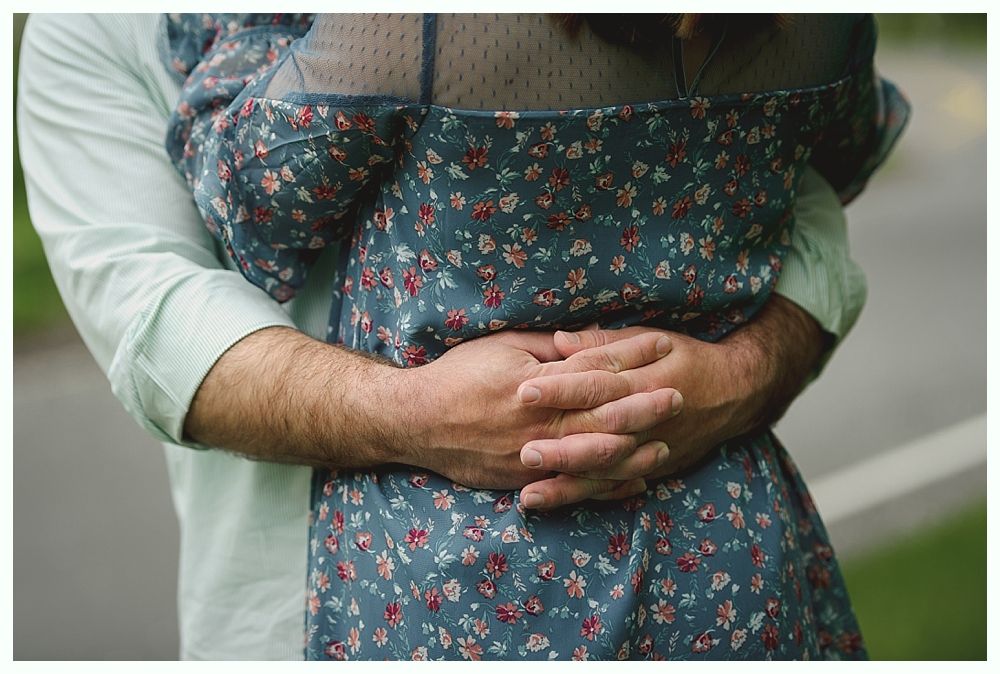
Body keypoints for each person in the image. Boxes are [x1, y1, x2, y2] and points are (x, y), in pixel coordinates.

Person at [16, 13, 881, 660]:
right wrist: (419, 412)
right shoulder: (86, 29)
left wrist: (737, 378)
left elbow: (806, 221)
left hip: (452, 593)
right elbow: (160, 324)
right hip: (319, 605)